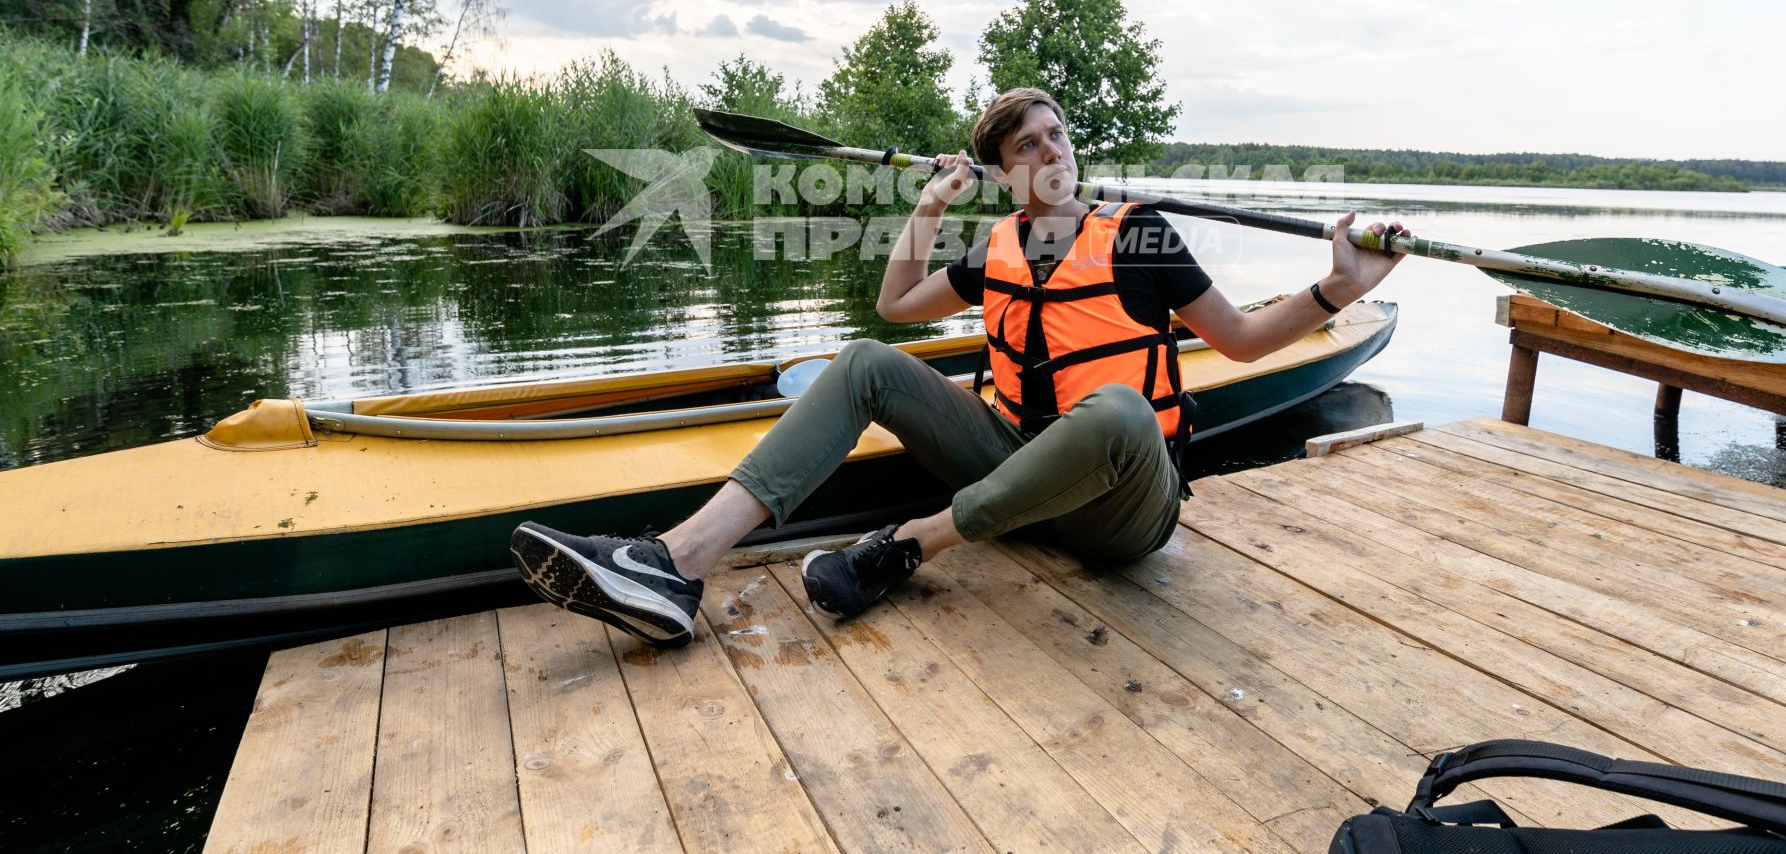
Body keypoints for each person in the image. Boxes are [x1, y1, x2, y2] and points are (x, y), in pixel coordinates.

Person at [510, 87, 1408, 648]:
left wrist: (1334, 287)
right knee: (863, 360)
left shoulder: (1137, 234)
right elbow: (894, 308)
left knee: (1119, 411)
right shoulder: (999, 250)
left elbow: (1242, 343)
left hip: (1119, 509)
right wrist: (930, 209)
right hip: (1013, 471)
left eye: (1058, 137)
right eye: (1029, 146)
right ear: (1001, 172)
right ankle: (676, 563)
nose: (1053, 152)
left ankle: (907, 544)